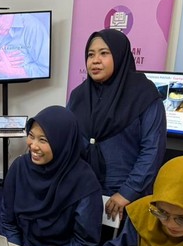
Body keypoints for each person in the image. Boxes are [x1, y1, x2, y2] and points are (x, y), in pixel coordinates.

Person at [67, 29, 166, 222]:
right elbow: (67, 141)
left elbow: (152, 150)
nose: (95, 61)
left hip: (127, 197)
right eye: (90, 54)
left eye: (104, 53)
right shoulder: (78, 96)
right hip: (84, 191)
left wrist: (127, 193)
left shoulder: (144, 95)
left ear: (120, 55)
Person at [1, 105, 103, 246]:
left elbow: (84, 242)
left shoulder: (84, 181)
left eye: (43, 140)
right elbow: (8, 222)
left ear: (62, 143)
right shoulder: (19, 168)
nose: (33, 146)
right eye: (31, 136)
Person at [0, 13, 49, 80]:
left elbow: (46, 70)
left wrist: (10, 72)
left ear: (7, 14)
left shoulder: (32, 26)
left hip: (24, 89)